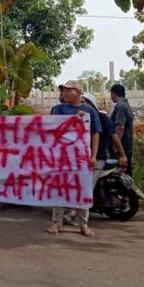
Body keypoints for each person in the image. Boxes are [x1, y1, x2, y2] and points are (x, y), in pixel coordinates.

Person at [47, 80, 100, 237]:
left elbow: (95, 133)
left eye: (68, 90)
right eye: (63, 91)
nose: (64, 93)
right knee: (59, 189)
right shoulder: (58, 109)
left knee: (82, 189)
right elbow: (53, 129)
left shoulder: (89, 111)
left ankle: (83, 224)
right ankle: (57, 223)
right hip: (61, 156)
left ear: (77, 92)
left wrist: (94, 155)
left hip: (81, 158)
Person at [82, 92, 127, 171]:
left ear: (91, 104)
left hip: (98, 158)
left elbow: (114, 136)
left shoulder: (102, 117)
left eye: (82, 102)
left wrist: (122, 156)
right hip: (80, 159)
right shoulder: (77, 119)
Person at [110, 84, 134, 175]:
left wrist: (116, 146)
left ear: (112, 94)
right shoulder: (126, 105)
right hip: (127, 146)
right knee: (126, 174)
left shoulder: (120, 107)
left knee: (122, 175)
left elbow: (120, 127)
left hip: (122, 147)